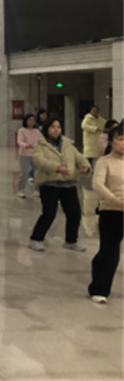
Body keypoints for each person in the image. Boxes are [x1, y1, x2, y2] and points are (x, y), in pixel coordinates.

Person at [29, 117, 91, 252]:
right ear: (46, 129)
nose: (56, 129)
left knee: (74, 213)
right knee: (49, 213)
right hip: (49, 183)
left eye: (58, 127)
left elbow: (80, 157)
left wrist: (85, 166)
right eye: (52, 127)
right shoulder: (40, 145)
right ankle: (36, 239)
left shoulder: (68, 144)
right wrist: (56, 168)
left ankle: (71, 241)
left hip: (68, 183)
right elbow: (39, 160)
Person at [88, 125, 123, 303]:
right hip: (112, 210)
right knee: (110, 252)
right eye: (120, 139)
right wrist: (115, 200)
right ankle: (99, 289)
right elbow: (97, 184)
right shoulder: (104, 162)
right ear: (110, 142)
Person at [16, 114, 41, 198]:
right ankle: (21, 190)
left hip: (35, 154)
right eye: (30, 120)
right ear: (26, 121)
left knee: (38, 173)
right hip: (24, 154)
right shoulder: (22, 130)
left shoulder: (37, 131)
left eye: (33, 120)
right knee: (24, 173)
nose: (32, 122)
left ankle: (37, 190)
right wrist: (26, 145)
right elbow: (19, 141)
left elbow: (40, 141)